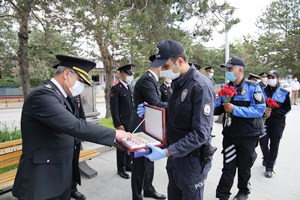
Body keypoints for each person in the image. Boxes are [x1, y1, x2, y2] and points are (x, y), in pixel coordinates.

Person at [12, 55, 131, 200]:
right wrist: (115, 134)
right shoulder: (43, 95)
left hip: (60, 174)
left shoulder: (61, 96)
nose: (81, 87)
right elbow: (74, 125)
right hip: (41, 180)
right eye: (80, 81)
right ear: (67, 74)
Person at [142, 39, 216, 200]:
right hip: (175, 157)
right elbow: (175, 110)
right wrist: (151, 112)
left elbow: (201, 133)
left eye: (166, 66)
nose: (161, 71)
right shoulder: (178, 82)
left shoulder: (200, 86)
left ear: (180, 61)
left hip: (192, 161)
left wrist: (167, 152)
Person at [214, 56, 266, 200]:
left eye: (230, 69)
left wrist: (235, 109)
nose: (227, 71)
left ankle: (243, 191)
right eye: (226, 69)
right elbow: (217, 108)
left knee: (244, 167)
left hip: (248, 136)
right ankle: (223, 194)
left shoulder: (253, 87)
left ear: (240, 70)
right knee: (228, 166)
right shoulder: (226, 88)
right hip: (230, 135)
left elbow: (259, 110)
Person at [129, 54, 167, 200]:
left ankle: (148, 189)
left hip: (149, 125)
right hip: (140, 126)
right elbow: (156, 103)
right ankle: (137, 196)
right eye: (166, 66)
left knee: (149, 160)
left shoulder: (152, 80)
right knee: (139, 165)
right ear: (159, 66)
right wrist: (178, 107)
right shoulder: (147, 80)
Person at [260, 70, 291, 178]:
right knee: (263, 142)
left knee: (274, 145)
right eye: (268, 77)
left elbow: (287, 108)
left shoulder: (283, 92)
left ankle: (269, 167)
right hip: (264, 121)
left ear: (277, 79)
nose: (269, 79)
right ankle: (266, 157)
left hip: (277, 123)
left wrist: (274, 113)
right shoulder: (261, 91)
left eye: (272, 77)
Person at [110, 64, 135, 179]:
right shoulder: (116, 89)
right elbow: (114, 109)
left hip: (131, 121)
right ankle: (121, 169)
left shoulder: (129, 87)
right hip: (122, 123)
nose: (130, 76)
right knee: (121, 147)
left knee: (129, 144)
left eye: (131, 74)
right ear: (121, 74)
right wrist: (118, 124)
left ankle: (128, 164)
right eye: (128, 73)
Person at [70, 95, 87, 200]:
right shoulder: (56, 94)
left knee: (74, 164)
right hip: (63, 139)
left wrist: (83, 132)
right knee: (64, 167)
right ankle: (63, 191)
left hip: (75, 138)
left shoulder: (76, 94)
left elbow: (81, 114)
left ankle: (73, 189)